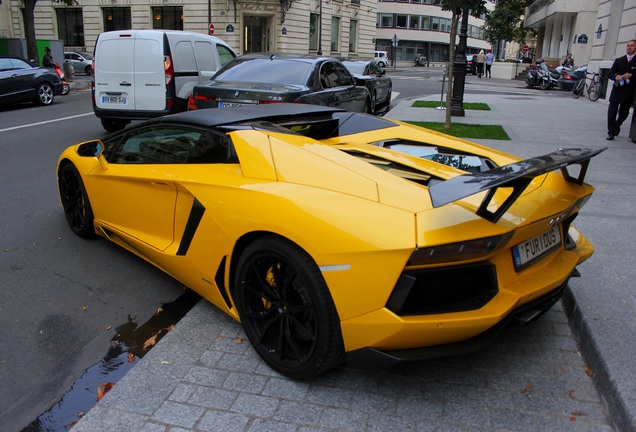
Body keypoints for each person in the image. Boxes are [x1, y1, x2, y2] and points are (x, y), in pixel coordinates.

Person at [606, 39, 636, 141]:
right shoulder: (619, 60)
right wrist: (615, 77)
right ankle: (611, 132)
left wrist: (631, 75)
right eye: (628, 45)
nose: (629, 47)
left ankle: (617, 125)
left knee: (624, 113)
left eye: (632, 45)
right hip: (617, 90)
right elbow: (610, 73)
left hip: (629, 91)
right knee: (611, 112)